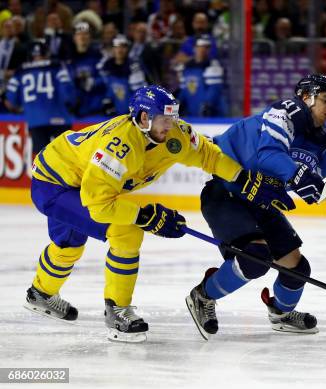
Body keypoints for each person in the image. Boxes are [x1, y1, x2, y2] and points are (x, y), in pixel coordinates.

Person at [23, 85, 295, 343]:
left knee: (68, 244)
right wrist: (146, 217)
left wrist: (242, 179)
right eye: (165, 119)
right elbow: (98, 203)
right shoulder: (118, 147)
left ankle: (41, 292)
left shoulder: (173, 134)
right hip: (54, 184)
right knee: (125, 232)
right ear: (143, 118)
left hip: (72, 172)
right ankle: (117, 311)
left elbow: (208, 156)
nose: (172, 124)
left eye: (174, 117)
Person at [186, 74, 326, 340]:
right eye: (325, 99)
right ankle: (202, 296)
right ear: (306, 97)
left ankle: (280, 313)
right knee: (255, 258)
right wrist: (297, 174)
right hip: (226, 190)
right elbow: (267, 155)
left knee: (297, 269)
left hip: (260, 197)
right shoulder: (285, 112)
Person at [4, 39, 75, 156]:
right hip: (60, 118)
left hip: (35, 120)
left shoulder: (20, 72)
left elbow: (11, 101)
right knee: (65, 157)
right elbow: (69, 95)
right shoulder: (57, 67)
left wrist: (21, 109)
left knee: (42, 160)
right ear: (46, 54)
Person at [176, 37, 227, 117]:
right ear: (194, 48)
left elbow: (214, 89)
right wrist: (178, 103)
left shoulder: (213, 65)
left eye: (206, 47)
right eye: (200, 47)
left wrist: (207, 105)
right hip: (191, 115)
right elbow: (183, 90)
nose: (203, 50)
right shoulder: (186, 67)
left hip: (211, 116)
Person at [98, 35, 146, 115]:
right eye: (117, 47)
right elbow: (104, 88)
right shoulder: (105, 66)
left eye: (123, 47)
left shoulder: (134, 67)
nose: (119, 50)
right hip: (111, 114)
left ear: (128, 49)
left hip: (130, 114)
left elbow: (139, 92)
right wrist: (107, 101)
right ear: (113, 49)